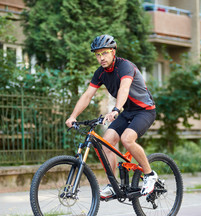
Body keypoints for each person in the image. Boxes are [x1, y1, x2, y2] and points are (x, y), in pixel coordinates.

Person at [65, 34, 157, 199]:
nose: (101, 58)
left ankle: (150, 175)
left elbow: (124, 88)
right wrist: (73, 116)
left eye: (105, 53)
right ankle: (114, 185)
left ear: (113, 51)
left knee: (127, 139)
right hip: (127, 111)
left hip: (144, 110)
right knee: (107, 143)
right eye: (98, 54)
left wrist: (116, 109)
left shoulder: (125, 66)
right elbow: (87, 95)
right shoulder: (100, 73)